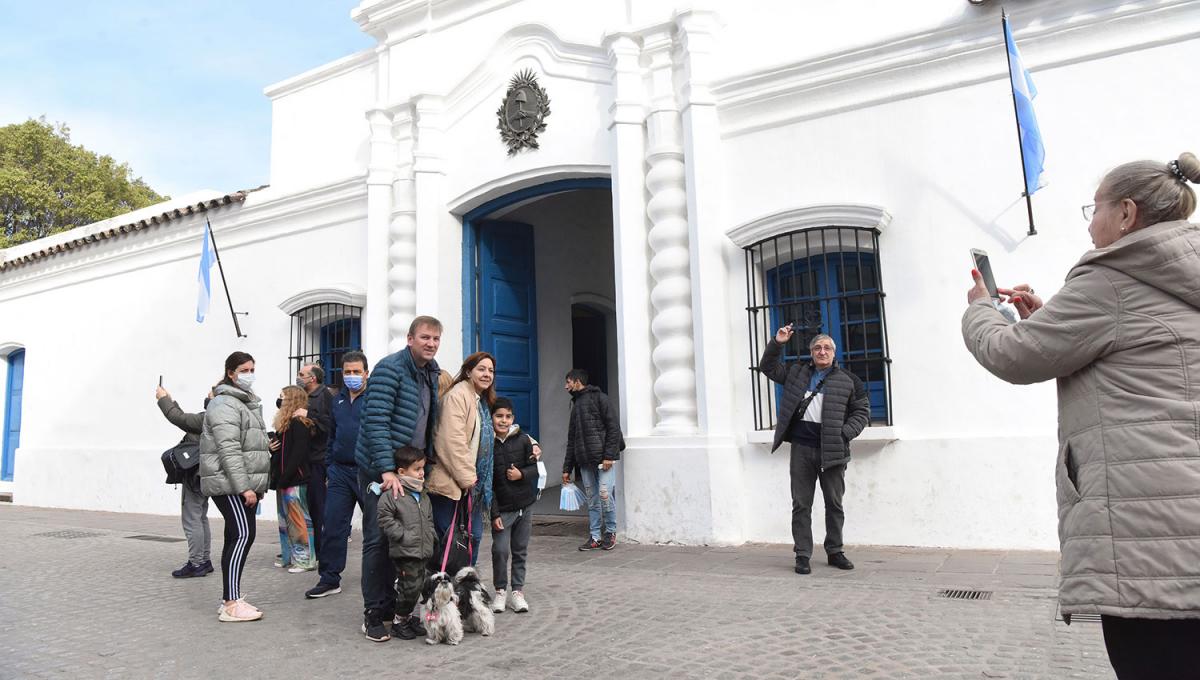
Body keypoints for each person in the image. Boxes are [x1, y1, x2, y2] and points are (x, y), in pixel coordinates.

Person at [962, 152, 1200, 680]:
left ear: (1126, 214)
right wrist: (1052, 319)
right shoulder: (1183, 273)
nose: (1091, 221)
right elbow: (1139, 350)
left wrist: (979, 308)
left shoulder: (1110, 280)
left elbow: (1014, 355)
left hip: (1150, 536)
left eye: (1094, 208)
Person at [353, 316, 444, 642]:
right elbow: (375, 420)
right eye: (425, 337)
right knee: (378, 540)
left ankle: (395, 610)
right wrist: (386, 470)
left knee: (404, 540)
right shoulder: (389, 369)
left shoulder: (431, 373)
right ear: (409, 339)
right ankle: (374, 613)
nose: (431, 343)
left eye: (435, 338)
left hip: (409, 472)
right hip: (383, 470)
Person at [758, 332, 870, 575]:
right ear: (811, 352)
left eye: (827, 348)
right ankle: (802, 554)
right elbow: (767, 367)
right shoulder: (797, 374)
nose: (822, 352)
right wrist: (777, 343)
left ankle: (835, 551)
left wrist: (844, 433)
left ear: (834, 352)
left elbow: (862, 412)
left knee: (834, 504)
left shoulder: (849, 380)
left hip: (833, 450)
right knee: (801, 504)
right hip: (801, 449)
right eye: (818, 348)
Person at [200, 351, 270, 622]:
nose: (249, 374)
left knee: (237, 536)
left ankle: (230, 598)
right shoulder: (225, 404)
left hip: (239, 482)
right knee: (242, 534)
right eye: (244, 370)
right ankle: (231, 603)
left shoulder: (243, 402)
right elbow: (229, 449)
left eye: (252, 369)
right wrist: (244, 487)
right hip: (229, 483)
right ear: (231, 372)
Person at [305, 351, 369, 599]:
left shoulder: (375, 399)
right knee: (332, 525)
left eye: (357, 371)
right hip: (340, 472)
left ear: (366, 373)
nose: (352, 376)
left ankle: (388, 575)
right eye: (347, 372)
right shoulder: (337, 400)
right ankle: (329, 578)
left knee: (377, 529)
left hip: (367, 472)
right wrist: (330, 465)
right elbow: (332, 436)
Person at [428, 352, 497, 566]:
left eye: (491, 370)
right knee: (452, 541)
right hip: (452, 485)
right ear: (468, 371)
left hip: (471, 486)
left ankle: (462, 587)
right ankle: (446, 590)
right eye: (481, 369)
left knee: (472, 538)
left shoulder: (480, 401)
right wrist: (468, 479)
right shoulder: (457, 396)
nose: (487, 374)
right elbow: (451, 442)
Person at [376, 446, 436, 640]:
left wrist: (431, 535)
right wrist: (402, 535)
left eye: (422, 468)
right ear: (402, 472)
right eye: (417, 469)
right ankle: (398, 621)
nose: (422, 473)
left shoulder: (423, 494)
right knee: (408, 588)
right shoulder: (394, 494)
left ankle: (408, 618)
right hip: (405, 551)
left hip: (422, 550)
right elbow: (385, 517)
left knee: (418, 587)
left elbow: (428, 519)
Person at [156, 384, 214, 578]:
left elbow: (179, 419)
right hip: (207, 472)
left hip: (197, 472)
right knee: (201, 516)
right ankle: (204, 560)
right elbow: (187, 421)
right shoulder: (220, 416)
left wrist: (163, 400)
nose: (208, 393)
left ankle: (197, 562)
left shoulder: (212, 416)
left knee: (192, 518)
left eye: (212, 391)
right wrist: (171, 401)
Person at [561, 369, 623, 551]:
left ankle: (610, 532)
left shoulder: (600, 398)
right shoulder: (575, 404)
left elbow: (613, 428)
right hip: (585, 462)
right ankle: (595, 536)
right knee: (592, 499)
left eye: (568, 382)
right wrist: (567, 468)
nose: (566, 386)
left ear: (577, 381)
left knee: (604, 495)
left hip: (604, 461)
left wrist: (609, 456)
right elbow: (572, 438)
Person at [488, 397, 537, 613]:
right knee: (499, 550)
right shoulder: (487, 443)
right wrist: (494, 513)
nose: (503, 420)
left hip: (525, 506)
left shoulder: (524, 440)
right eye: (499, 416)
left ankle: (517, 591)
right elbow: (487, 483)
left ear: (513, 418)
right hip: (502, 509)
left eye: (507, 416)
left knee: (520, 550)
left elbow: (536, 469)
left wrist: (522, 474)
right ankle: (500, 591)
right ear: (491, 417)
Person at [271, 385, 317, 573]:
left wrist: (286, 476)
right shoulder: (286, 424)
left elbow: (298, 454)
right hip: (284, 480)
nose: (279, 400)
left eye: (282, 396)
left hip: (294, 480)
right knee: (285, 521)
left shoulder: (300, 423)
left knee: (299, 521)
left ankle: (305, 560)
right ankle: (289, 556)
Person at [294, 363, 332, 567]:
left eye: (302, 374)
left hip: (320, 460)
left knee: (319, 509)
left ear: (313, 378)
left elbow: (329, 424)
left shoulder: (325, 397)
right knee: (307, 508)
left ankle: (322, 553)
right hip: (305, 460)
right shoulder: (303, 396)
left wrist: (308, 416)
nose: (298, 377)